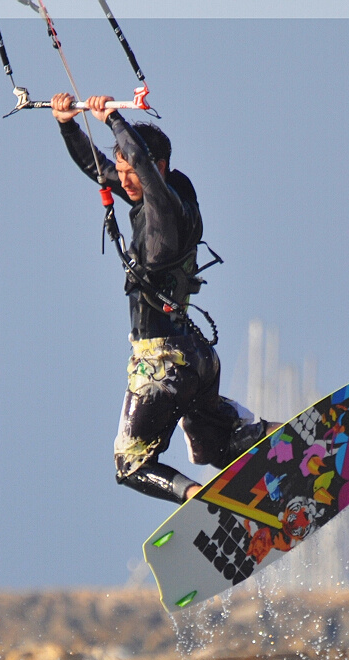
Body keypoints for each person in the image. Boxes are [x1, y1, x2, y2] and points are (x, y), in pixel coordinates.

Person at [51, 93, 278, 504]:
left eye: (131, 171)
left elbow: (138, 165)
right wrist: (68, 125)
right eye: (121, 171)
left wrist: (114, 118)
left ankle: (204, 502)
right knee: (212, 446)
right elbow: (101, 169)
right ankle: (273, 438)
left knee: (131, 464)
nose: (122, 180)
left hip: (161, 368)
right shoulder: (178, 194)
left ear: (155, 168)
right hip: (196, 358)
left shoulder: (163, 213)